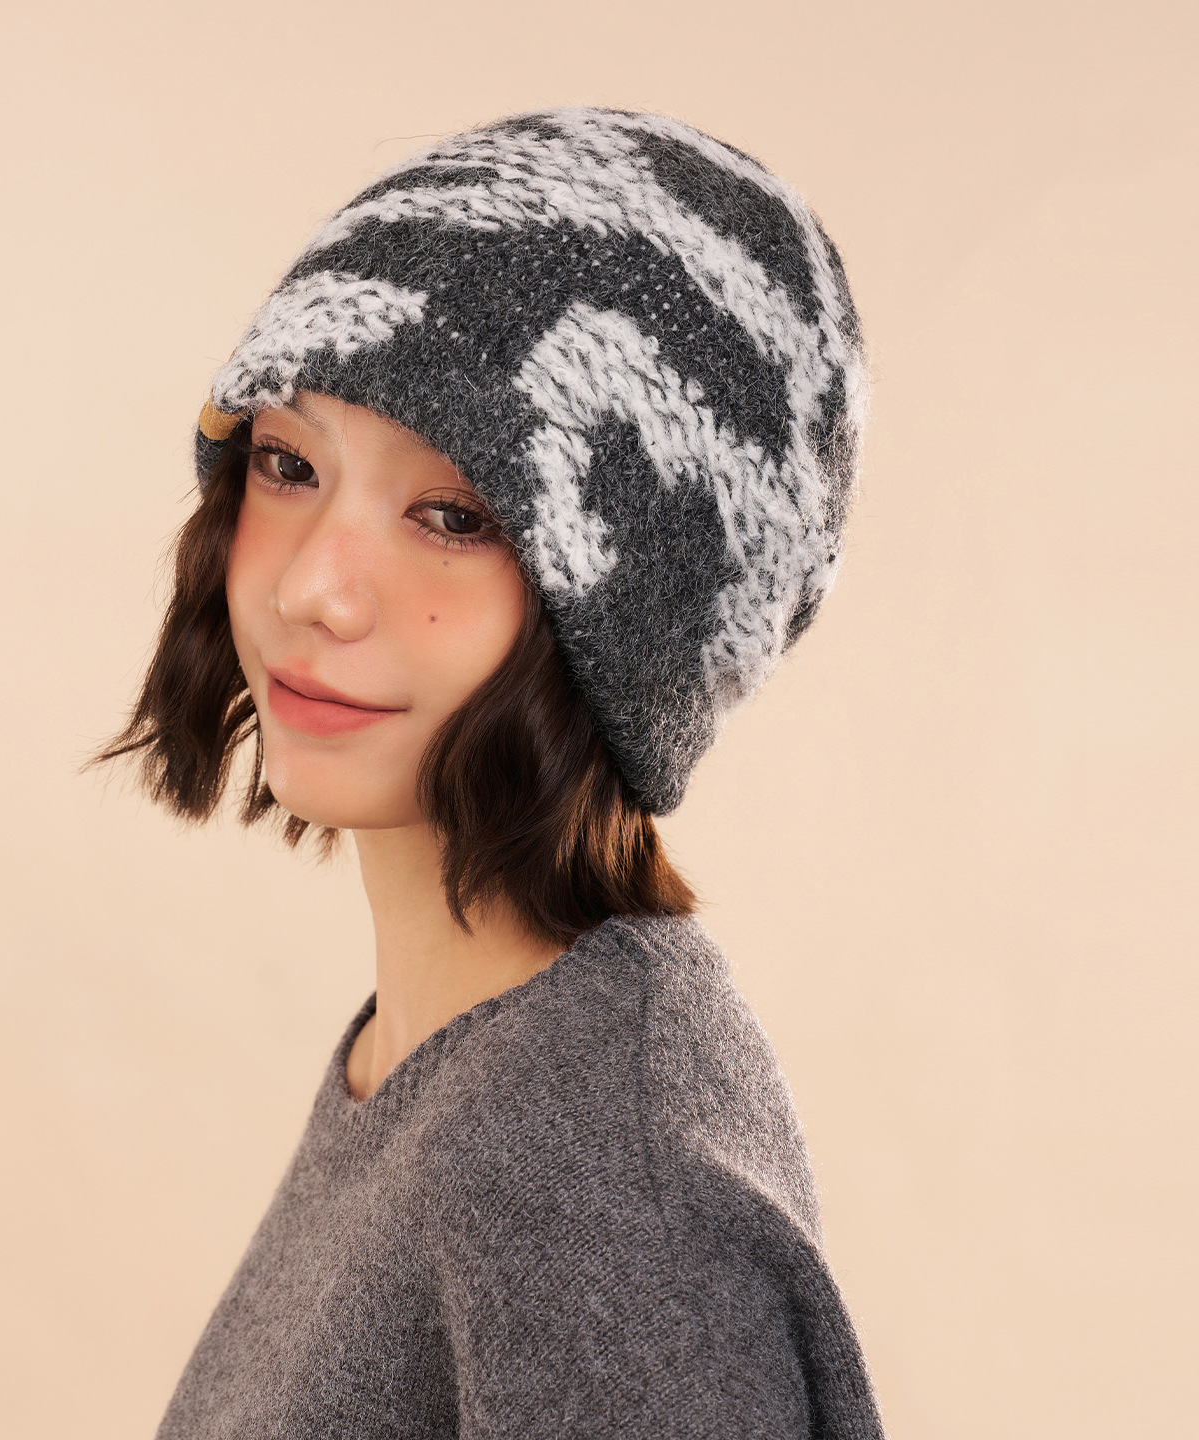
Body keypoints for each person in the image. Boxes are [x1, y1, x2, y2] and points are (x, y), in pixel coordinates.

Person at [100, 105, 884, 1438]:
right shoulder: (438, 1062)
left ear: (638, 616)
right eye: (288, 464)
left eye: (454, 515)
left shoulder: (602, 1174)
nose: (312, 587)